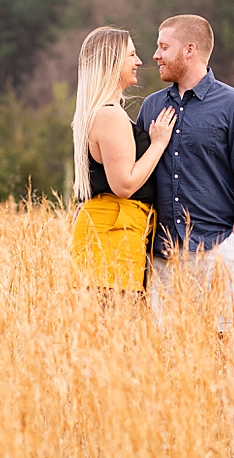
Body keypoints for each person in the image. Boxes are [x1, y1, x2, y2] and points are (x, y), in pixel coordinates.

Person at [138, 15, 234, 327]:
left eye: (163, 47)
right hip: (162, 256)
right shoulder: (151, 107)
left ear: (189, 50)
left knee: (222, 343)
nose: (155, 55)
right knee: (164, 349)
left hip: (216, 249)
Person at [70, 27, 177, 294]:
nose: (139, 61)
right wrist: (159, 144)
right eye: (131, 54)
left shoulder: (101, 112)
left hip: (115, 227)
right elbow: (124, 185)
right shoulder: (110, 116)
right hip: (113, 229)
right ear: (112, 61)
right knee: (116, 323)